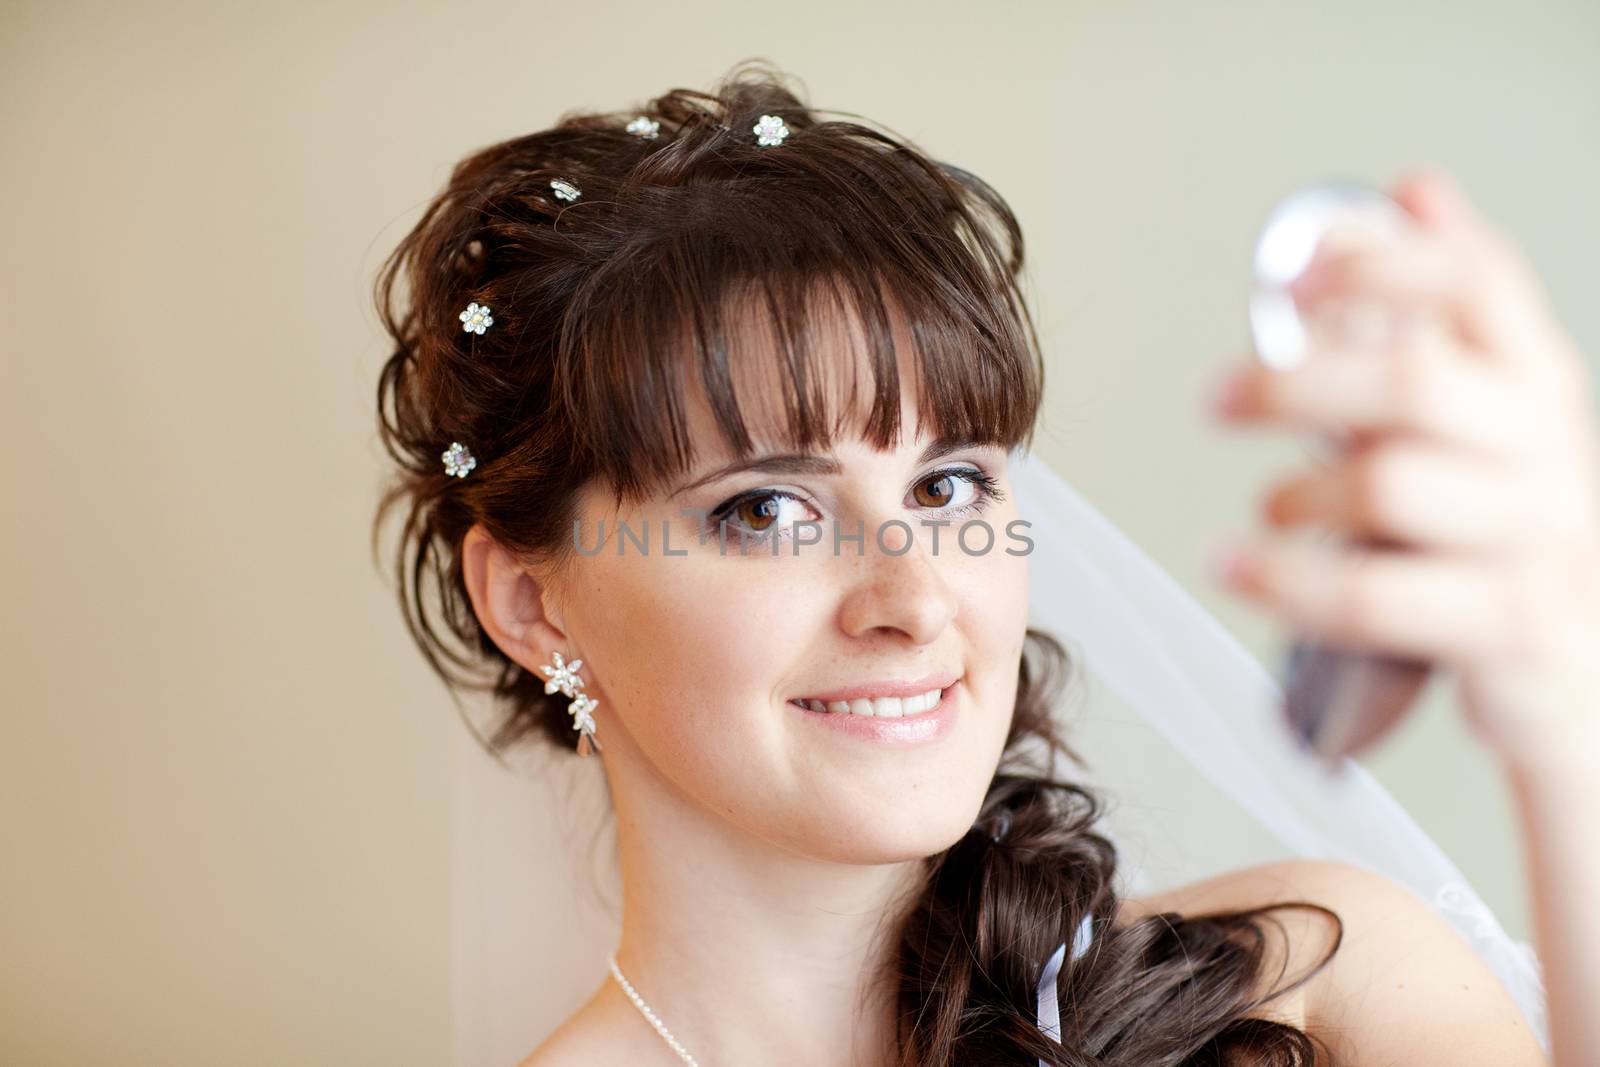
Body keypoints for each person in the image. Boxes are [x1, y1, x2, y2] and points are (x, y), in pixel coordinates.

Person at [371, 59, 1597, 1065]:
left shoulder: (1323, 984)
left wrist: (1561, 719)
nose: (912, 600)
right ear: (532, 602)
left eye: (948, 485)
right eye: (763, 511)